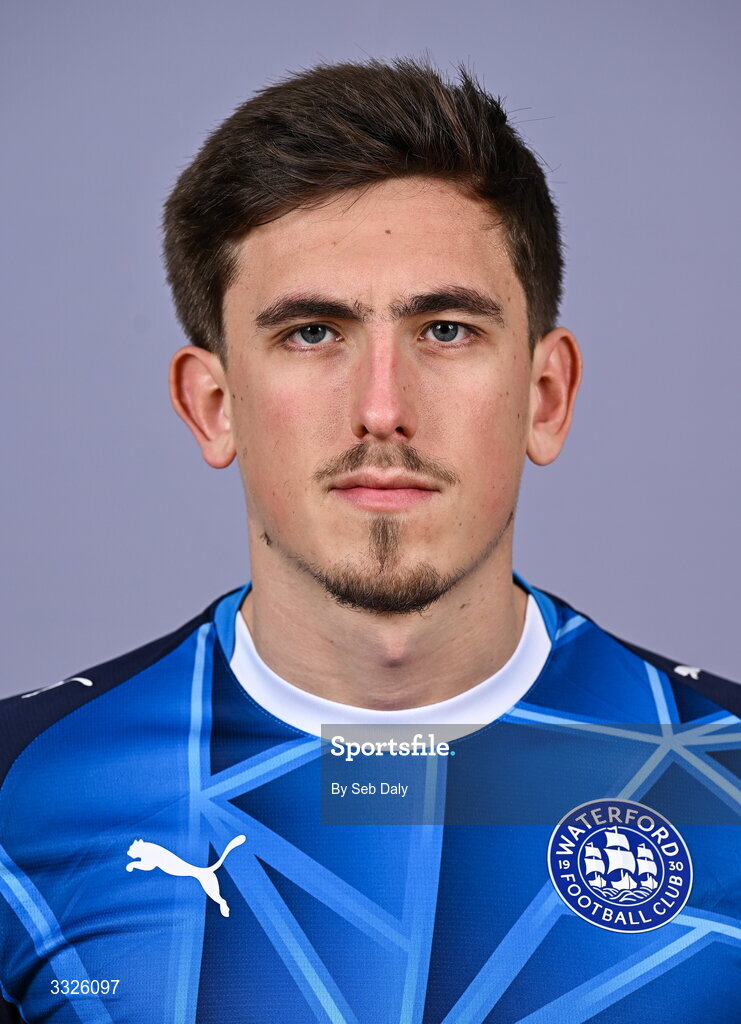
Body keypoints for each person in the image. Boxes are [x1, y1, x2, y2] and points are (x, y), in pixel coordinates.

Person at [0, 56, 738, 1024]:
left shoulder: (722, 770)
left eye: (445, 329)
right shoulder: (24, 795)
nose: (382, 409)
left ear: (545, 396)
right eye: (312, 332)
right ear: (212, 404)